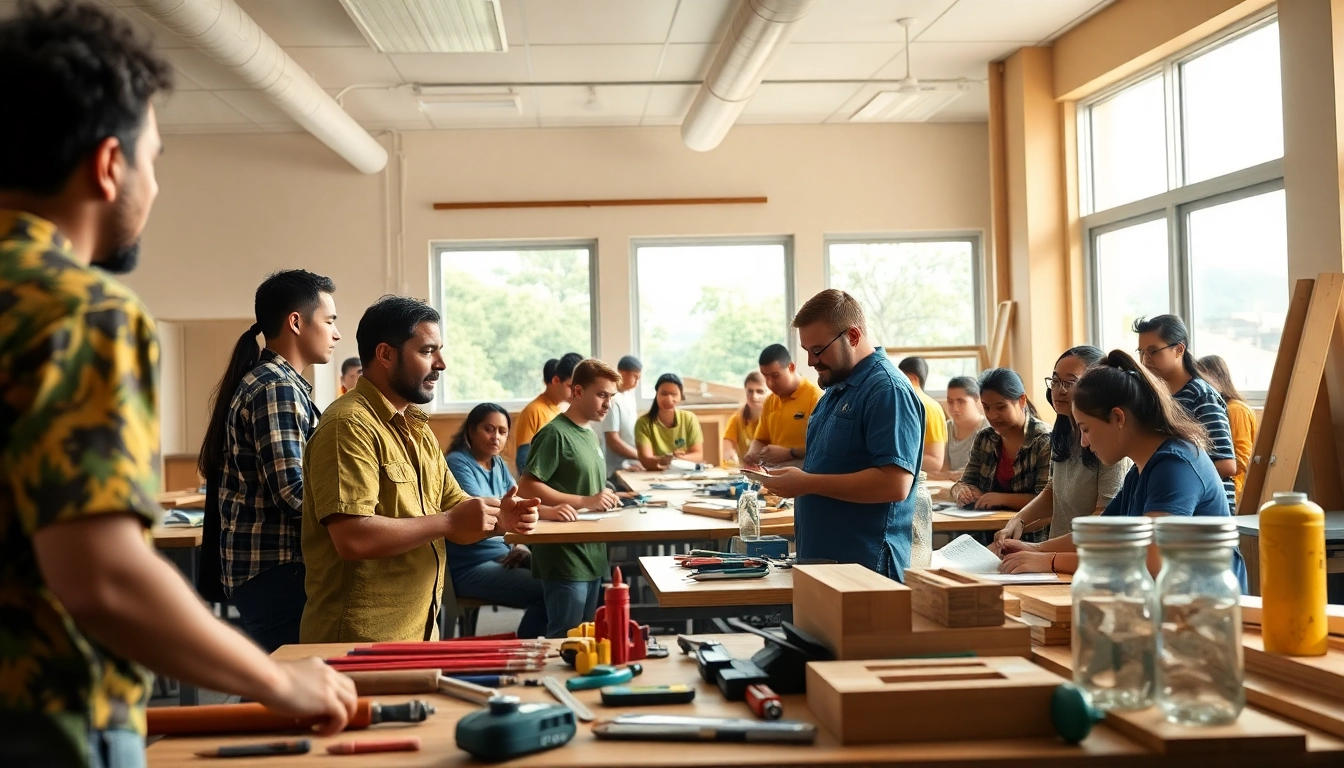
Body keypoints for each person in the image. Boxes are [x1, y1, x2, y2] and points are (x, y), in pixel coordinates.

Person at [0, 5, 355, 764]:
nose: (155, 187)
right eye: (154, 160)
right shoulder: (74, 310)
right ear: (107, 165)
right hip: (43, 717)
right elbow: (104, 580)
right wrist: (280, 681)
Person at [300, 297, 539, 643]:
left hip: (419, 631)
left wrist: (499, 519)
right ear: (386, 354)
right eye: (427, 351)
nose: (441, 363)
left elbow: (456, 508)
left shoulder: (417, 428)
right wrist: (450, 522)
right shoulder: (348, 424)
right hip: (361, 639)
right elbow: (352, 537)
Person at [997, 351, 1248, 593]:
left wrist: (1050, 560)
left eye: (1086, 429)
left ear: (1118, 418)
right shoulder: (1143, 467)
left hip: (1206, 610)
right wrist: (1036, 548)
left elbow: (1150, 563)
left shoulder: (1175, 464)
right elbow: (1101, 532)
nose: (1084, 442)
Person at [197, 270, 340, 652]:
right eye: (330, 321)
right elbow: (293, 493)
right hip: (277, 568)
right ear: (296, 322)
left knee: (283, 685)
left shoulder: (279, 383)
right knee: (288, 690)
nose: (336, 334)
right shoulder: (276, 386)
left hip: (274, 569)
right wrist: (357, 513)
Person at [757, 290, 925, 581]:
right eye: (807, 350)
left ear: (854, 336)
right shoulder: (835, 389)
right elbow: (831, 467)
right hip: (826, 564)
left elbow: (895, 483)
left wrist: (807, 483)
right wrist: (797, 476)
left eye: (819, 350)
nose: (811, 361)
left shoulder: (887, 391)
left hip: (865, 569)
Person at [518, 359, 624, 637]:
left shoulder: (590, 434)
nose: (607, 404)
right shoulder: (554, 433)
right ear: (577, 392)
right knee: (564, 636)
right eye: (601, 395)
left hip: (592, 552)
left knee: (585, 635)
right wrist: (586, 502)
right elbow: (527, 487)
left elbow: (586, 486)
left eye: (611, 397)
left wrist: (606, 494)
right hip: (565, 556)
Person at [992, 347, 1131, 550]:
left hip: (1085, 556)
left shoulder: (1109, 445)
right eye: (1055, 381)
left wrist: (1040, 550)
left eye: (1070, 382)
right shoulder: (1063, 432)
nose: (1060, 390)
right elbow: (1052, 489)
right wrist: (1018, 520)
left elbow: (1104, 516)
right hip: (1054, 554)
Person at [444, 404, 551, 639]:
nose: (496, 437)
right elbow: (481, 510)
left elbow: (514, 506)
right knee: (548, 592)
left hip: (504, 554)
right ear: (471, 430)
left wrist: (518, 546)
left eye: (502, 432)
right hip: (470, 566)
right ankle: (524, 652)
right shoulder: (457, 462)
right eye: (489, 429)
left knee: (561, 577)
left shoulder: (499, 464)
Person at [1133, 315, 1236, 511]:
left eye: (1153, 351)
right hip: (1168, 500)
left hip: (1204, 512)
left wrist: (1179, 480)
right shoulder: (1154, 396)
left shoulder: (1201, 395)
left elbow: (1227, 464)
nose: (1145, 360)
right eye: (1141, 352)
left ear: (1179, 349)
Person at [951, 368, 1051, 511]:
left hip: (1031, 530)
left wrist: (1001, 498)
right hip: (988, 528)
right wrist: (961, 491)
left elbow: (1047, 500)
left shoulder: (1044, 440)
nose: (993, 416)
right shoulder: (984, 438)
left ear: (1022, 400)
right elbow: (966, 481)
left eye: (1001, 407)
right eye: (986, 408)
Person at [744, 343, 822, 467]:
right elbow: (761, 439)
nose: (770, 383)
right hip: (775, 477)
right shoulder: (770, 400)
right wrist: (752, 454)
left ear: (791, 367)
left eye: (775, 376)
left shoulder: (815, 397)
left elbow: (823, 446)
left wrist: (789, 453)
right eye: (765, 377)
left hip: (806, 478)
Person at [1197, 354, 1258, 510]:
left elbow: (1242, 459)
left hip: (1235, 494)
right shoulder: (1216, 408)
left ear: (1217, 377)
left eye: (1203, 376)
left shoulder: (1236, 410)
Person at [515, 352, 582, 475]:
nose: (575, 393)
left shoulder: (560, 411)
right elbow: (523, 460)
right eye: (570, 386)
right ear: (556, 380)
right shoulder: (533, 411)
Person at [634, 373, 705, 469]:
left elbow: (698, 456)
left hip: (685, 474)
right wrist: (672, 459)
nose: (669, 399)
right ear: (656, 394)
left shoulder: (689, 418)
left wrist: (673, 459)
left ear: (680, 396)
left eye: (674, 394)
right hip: (655, 476)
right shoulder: (643, 423)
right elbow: (646, 460)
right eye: (664, 394)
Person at [897, 357, 949, 474]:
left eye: (900, 378)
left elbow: (935, 462)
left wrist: (894, 456)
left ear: (912, 378)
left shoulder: (928, 406)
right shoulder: (899, 402)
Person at [932, 376, 988, 480]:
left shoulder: (988, 431)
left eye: (961, 402)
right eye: (950, 402)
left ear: (977, 399)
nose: (955, 408)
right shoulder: (945, 428)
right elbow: (941, 468)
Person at [601, 355, 643, 479]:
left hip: (630, 463)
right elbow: (612, 440)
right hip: (614, 470)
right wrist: (641, 456)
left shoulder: (630, 397)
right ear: (622, 373)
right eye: (635, 376)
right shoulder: (612, 398)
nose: (637, 382)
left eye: (639, 378)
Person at [723, 372, 768, 467]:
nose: (754, 396)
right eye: (750, 391)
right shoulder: (736, 419)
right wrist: (730, 456)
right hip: (745, 474)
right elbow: (727, 449)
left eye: (760, 391)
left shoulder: (774, 418)